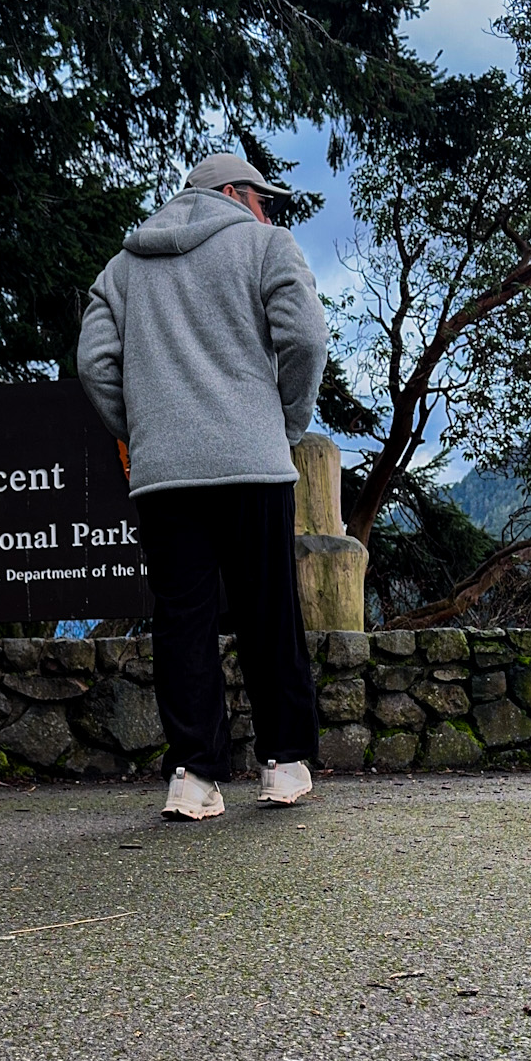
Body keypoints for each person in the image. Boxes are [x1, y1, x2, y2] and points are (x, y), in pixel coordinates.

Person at [77, 151, 328, 820]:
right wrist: (286, 422)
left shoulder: (123, 267)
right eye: (264, 197)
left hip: (165, 474)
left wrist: (145, 427)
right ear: (237, 193)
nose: (269, 210)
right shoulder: (266, 245)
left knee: (182, 619)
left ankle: (193, 777)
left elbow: (94, 362)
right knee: (267, 610)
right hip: (252, 459)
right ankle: (285, 765)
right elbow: (304, 337)